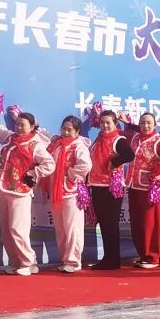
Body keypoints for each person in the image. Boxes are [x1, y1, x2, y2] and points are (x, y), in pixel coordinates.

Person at [0, 111, 55, 275]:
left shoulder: (35, 144)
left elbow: (49, 164)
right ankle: (15, 262)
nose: (19, 127)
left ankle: (29, 262)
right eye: (17, 124)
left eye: (23, 125)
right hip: (3, 189)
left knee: (18, 229)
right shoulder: (10, 138)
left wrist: (33, 173)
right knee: (6, 230)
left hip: (20, 192)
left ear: (32, 127)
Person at [125, 113, 160, 269]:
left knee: (150, 223)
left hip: (149, 188)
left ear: (155, 125)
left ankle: (153, 257)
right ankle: (143, 254)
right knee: (136, 223)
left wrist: (156, 171)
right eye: (142, 123)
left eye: (148, 123)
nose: (145, 126)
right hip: (133, 185)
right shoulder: (135, 138)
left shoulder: (159, 141)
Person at [87, 110, 135, 270]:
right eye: (102, 122)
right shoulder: (99, 139)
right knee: (104, 223)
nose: (105, 125)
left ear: (115, 123)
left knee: (111, 224)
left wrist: (115, 162)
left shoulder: (118, 140)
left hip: (111, 187)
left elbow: (129, 155)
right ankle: (109, 258)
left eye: (108, 122)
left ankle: (113, 259)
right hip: (97, 185)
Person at [45, 116, 92, 273]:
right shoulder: (57, 145)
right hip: (57, 192)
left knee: (73, 228)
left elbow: (86, 165)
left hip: (72, 192)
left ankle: (74, 261)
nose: (65, 132)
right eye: (64, 128)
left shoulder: (79, 146)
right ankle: (65, 259)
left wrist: (69, 174)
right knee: (61, 229)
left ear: (77, 131)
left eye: (69, 130)